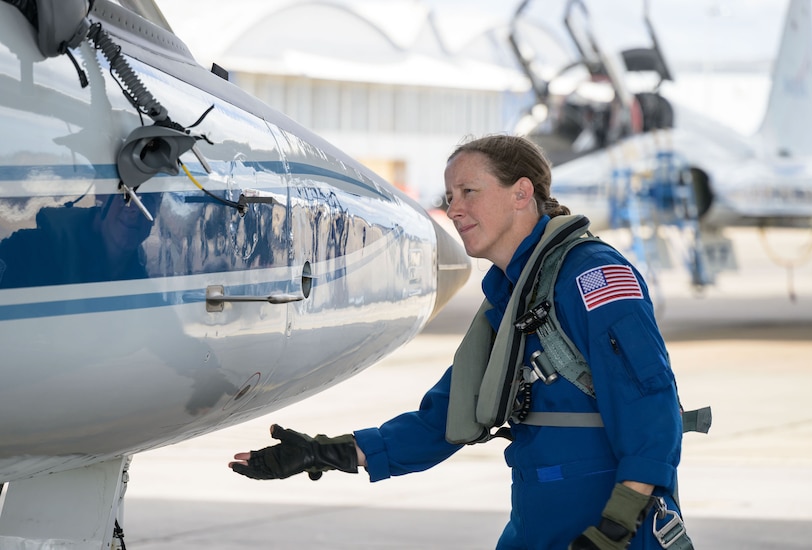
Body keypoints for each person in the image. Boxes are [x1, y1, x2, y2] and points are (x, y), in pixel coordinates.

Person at [229, 135, 694, 550]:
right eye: (449, 197)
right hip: (538, 523)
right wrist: (324, 452)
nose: (453, 210)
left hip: (606, 527)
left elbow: (650, 401)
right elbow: (445, 419)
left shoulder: (590, 275)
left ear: (522, 193)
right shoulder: (511, 299)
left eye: (469, 192)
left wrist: (617, 525)